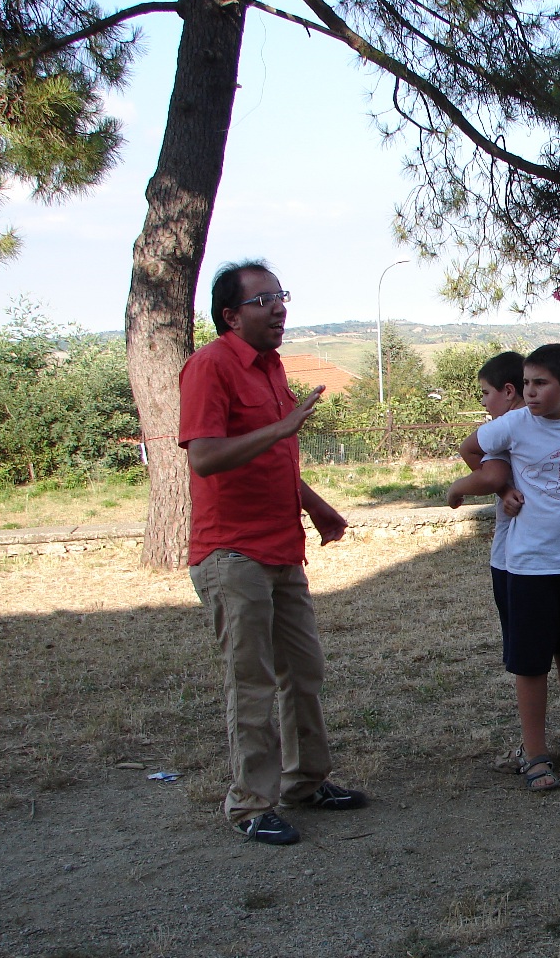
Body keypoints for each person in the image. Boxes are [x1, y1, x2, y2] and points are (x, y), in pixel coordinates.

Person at [180, 260, 367, 846]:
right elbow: (205, 457)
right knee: (252, 680)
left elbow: (275, 456)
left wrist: (316, 505)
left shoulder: (272, 367)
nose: (279, 308)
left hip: (282, 546)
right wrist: (281, 429)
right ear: (231, 316)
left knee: (303, 671)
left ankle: (304, 782)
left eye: (281, 296)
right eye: (263, 300)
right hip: (231, 552)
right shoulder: (210, 366)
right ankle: (250, 804)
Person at [452, 343, 560, 791]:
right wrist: (502, 487)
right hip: (530, 564)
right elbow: (470, 448)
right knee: (530, 664)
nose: (530, 392)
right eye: (526, 383)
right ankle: (536, 755)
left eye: (540, 383)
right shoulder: (512, 425)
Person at [445, 351, 560, 771]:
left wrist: (456, 489)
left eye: (485, 393)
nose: (483, 402)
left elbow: (486, 471)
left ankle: (533, 750)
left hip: (518, 562)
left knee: (530, 656)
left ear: (507, 392)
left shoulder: (508, 430)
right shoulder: (550, 422)